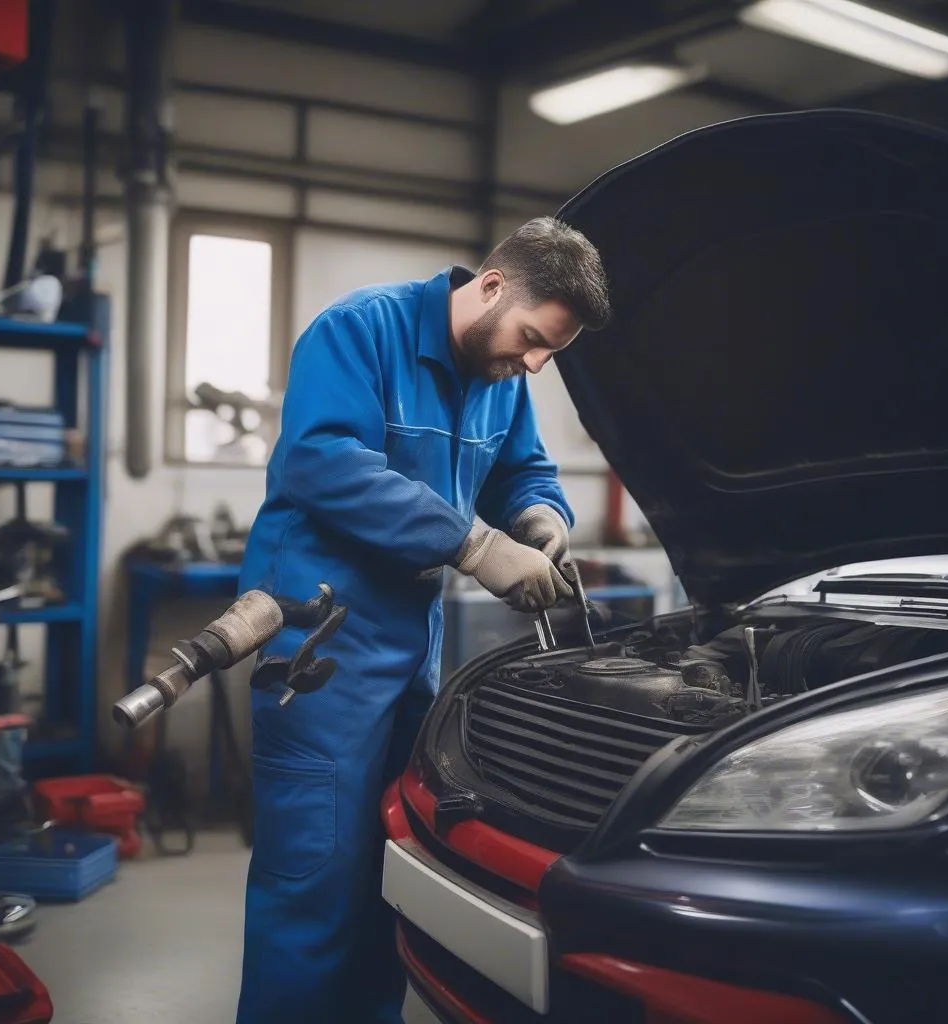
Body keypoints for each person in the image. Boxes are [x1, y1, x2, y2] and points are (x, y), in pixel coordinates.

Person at [236, 217, 610, 1023]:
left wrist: (543, 517)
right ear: (492, 287)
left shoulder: (501, 377)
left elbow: (525, 472)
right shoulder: (359, 331)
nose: (535, 364)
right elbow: (321, 460)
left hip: (411, 654)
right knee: (313, 883)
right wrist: (474, 543)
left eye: (552, 353)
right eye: (534, 340)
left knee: (392, 876)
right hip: (318, 653)